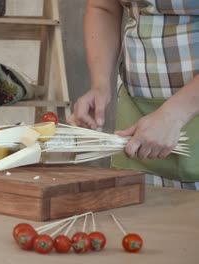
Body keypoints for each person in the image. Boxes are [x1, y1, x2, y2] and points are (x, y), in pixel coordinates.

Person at [69, 0, 199, 190]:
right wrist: (101, 84)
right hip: (137, 116)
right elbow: (103, 7)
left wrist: (173, 114)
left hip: (187, 109)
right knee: (140, 215)